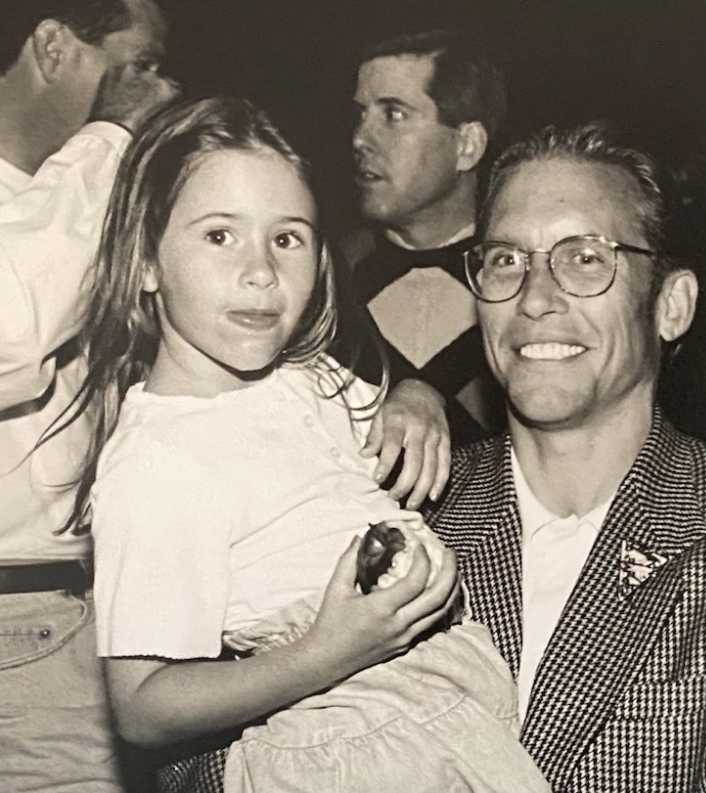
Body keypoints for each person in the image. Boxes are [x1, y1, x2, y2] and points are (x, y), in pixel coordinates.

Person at [71, 96, 549, 793]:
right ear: (145, 261)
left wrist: (415, 400)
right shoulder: (158, 460)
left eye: (287, 238)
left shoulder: (308, 378)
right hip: (346, 739)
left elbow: (376, 435)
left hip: (445, 707)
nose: (261, 271)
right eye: (219, 236)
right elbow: (142, 705)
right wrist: (327, 652)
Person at [428, 122, 706, 791]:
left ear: (670, 305)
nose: (535, 298)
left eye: (585, 258)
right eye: (506, 259)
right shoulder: (404, 514)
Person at [0, 2, 176, 788]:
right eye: (136, 66)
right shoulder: (89, 182)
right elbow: (13, 330)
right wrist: (115, 134)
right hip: (20, 618)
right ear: (50, 44)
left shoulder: (86, 206)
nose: (159, 87)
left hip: (57, 619)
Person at [343, 29, 508, 445]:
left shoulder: (528, 289)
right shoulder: (320, 277)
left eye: (393, 115)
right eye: (361, 114)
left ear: (467, 145)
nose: (360, 139)